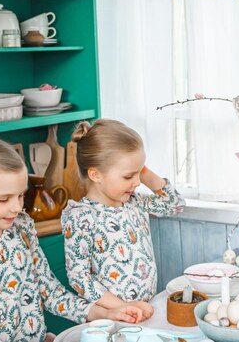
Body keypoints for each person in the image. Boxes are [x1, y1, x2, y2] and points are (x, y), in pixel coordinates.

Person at [0, 137, 143, 342]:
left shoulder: (21, 228)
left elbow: (50, 291)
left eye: (21, 195)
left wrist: (103, 314)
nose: (17, 207)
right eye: (4, 199)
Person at [61, 119, 185, 319]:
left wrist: (141, 170)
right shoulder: (81, 216)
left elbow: (175, 204)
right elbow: (79, 278)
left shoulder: (134, 202)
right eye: (128, 177)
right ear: (95, 174)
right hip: (113, 317)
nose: (137, 182)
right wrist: (123, 307)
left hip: (145, 309)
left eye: (139, 174)